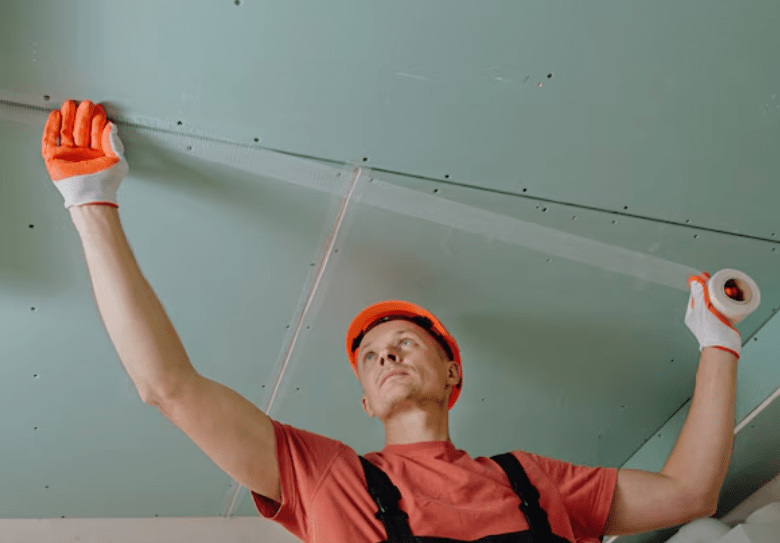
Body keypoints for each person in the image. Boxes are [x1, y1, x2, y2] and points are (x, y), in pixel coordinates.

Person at [43, 100, 740, 542]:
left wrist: (719, 337)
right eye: (372, 356)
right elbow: (167, 385)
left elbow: (689, 492)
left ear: (453, 371)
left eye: (407, 342)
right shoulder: (326, 477)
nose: (388, 355)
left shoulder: (534, 479)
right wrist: (90, 202)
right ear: (365, 401)